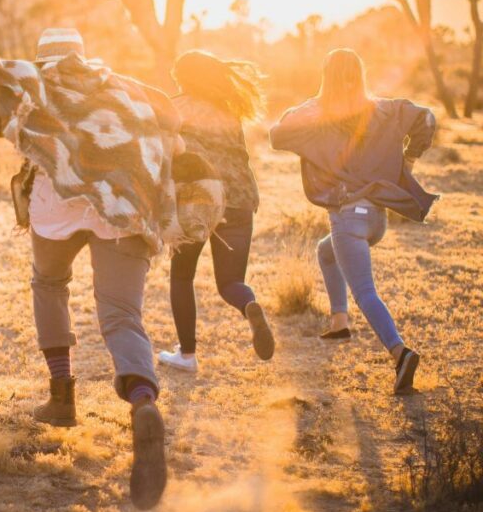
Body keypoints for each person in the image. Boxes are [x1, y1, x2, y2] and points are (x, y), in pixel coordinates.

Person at [0, 28, 183, 510]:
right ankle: (142, 398)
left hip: (54, 208)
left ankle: (61, 399)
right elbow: (172, 123)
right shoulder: (122, 86)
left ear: (41, 58)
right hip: (120, 205)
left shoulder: (29, 84)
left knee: (50, 284)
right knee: (121, 314)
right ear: (83, 55)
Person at [270, 48, 437, 395]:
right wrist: (410, 158)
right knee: (325, 252)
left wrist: (311, 104)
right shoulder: (382, 107)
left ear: (325, 77)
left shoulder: (317, 112)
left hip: (347, 217)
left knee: (365, 291)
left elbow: (277, 133)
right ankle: (339, 322)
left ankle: (400, 352)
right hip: (376, 218)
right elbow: (427, 118)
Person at [158, 51, 275, 373]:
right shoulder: (228, 112)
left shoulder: (175, 108)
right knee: (231, 282)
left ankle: (187, 355)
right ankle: (248, 304)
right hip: (239, 199)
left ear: (183, 78)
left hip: (197, 200)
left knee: (182, 276)